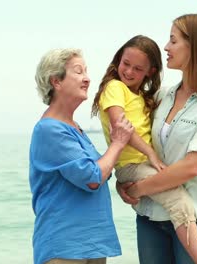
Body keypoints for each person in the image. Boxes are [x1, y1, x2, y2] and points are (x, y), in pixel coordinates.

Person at [117, 14, 197, 264]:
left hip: (194, 221)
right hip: (150, 219)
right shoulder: (163, 97)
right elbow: (141, 150)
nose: (166, 47)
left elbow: (191, 167)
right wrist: (125, 182)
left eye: (173, 41)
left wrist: (138, 189)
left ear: (196, 47)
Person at [91, 35, 197, 264]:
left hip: (139, 167)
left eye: (138, 68)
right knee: (181, 203)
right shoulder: (114, 87)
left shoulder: (143, 97)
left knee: (177, 203)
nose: (128, 71)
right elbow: (121, 126)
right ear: (118, 60)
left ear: (150, 72)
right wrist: (150, 153)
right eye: (126, 64)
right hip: (133, 165)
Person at [29, 48, 134, 264]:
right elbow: (92, 178)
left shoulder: (75, 128)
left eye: (86, 71)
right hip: (65, 245)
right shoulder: (50, 130)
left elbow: (100, 173)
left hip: (92, 244)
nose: (87, 78)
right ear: (56, 81)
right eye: (78, 72)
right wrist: (118, 143)